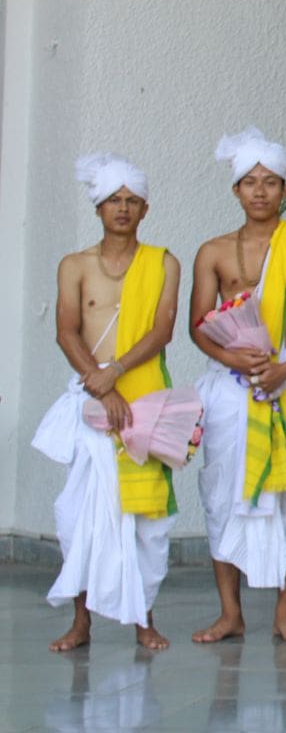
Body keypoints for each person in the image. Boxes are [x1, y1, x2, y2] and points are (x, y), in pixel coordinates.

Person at [33, 154, 181, 651]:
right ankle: (82, 623)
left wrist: (116, 375)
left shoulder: (163, 262)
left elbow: (162, 330)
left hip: (145, 399)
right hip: (92, 400)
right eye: (113, 200)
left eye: (131, 200)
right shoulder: (74, 264)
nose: (122, 208)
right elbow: (66, 331)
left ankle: (144, 621)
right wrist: (101, 383)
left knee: (144, 522)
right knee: (84, 518)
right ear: (98, 209)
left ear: (145, 210)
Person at [189, 127, 286, 643]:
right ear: (236, 191)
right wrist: (233, 357)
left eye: (270, 183)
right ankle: (230, 613)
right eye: (250, 182)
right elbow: (197, 324)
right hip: (230, 387)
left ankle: (284, 614)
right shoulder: (213, 252)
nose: (260, 192)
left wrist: (285, 370)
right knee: (223, 494)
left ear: (284, 190)